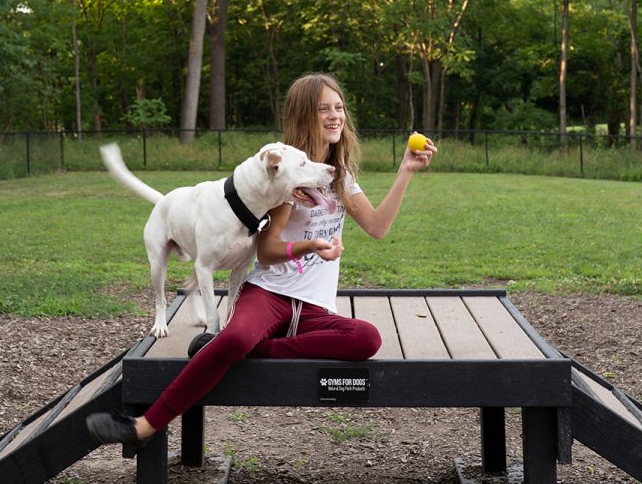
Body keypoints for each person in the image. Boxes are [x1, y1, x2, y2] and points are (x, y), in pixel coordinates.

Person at [86, 72, 436, 452]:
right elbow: (266, 251)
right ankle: (145, 424)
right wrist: (311, 246)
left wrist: (405, 171)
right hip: (270, 293)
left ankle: (254, 349)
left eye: (339, 108)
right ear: (305, 116)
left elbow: (378, 227)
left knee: (366, 338)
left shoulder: (340, 179)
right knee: (234, 335)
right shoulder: (287, 179)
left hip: (315, 308)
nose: (335, 116)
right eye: (324, 109)